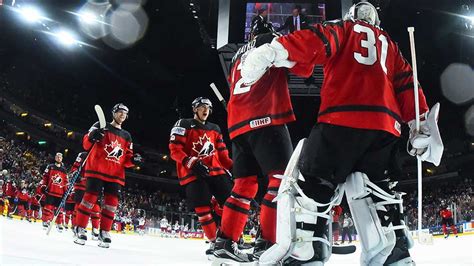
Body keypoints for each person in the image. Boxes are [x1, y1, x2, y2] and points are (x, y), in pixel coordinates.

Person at [240, 1, 443, 265]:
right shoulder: (390, 45)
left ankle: (307, 251)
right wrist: (419, 123)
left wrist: (274, 50)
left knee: (313, 183)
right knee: (378, 190)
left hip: (341, 119)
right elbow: (407, 85)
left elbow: (314, 41)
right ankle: (393, 253)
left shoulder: (344, 29)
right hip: (385, 128)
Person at [212, 23, 312, 263]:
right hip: (265, 117)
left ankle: (225, 243)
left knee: (244, 187)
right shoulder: (270, 39)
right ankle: (267, 244)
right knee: (280, 182)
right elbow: (304, 67)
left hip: (237, 124)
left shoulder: (238, 54)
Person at [169, 97, 233, 256]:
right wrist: (189, 161)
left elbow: (223, 154)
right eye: (202, 106)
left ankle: (230, 239)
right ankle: (214, 243)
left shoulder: (215, 128)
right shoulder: (183, 124)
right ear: (195, 109)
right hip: (194, 173)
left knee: (231, 205)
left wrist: (235, 168)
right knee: (202, 209)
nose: (206, 110)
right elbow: (174, 149)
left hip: (216, 172)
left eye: (208, 108)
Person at [74, 103, 142, 248]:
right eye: (120, 112)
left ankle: (104, 232)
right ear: (114, 113)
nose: (123, 115)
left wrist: (134, 160)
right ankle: (80, 228)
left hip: (115, 175)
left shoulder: (127, 135)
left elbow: (127, 159)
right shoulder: (100, 124)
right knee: (89, 200)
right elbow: (86, 144)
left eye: (125, 113)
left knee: (111, 205)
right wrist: (93, 136)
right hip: (96, 170)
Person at [70, 152, 101, 240]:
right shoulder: (83, 155)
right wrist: (75, 175)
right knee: (79, 206)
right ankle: (78, 227)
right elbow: (75, 167)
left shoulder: (101, 153)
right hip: (81, 185)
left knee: (96, 208)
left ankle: (95, 229)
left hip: (94, 185)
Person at [41, 152, 68, 231]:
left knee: (59, 209)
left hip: (60, 193)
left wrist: (66, 191)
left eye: (60, 157)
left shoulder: (64, 170)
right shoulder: (50, 167)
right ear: (55, 158)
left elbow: (65, 182)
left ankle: (59, 223)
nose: (59, 158)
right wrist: (43, 186)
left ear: (62, 158)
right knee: (48, 207)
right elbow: (45, 177)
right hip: (51, 191)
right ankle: (45, 221)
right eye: (57, 156)